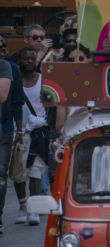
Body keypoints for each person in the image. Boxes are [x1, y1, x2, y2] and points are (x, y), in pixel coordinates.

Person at [14, 48, 48, 226]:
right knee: (18, 172)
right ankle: (22, 206)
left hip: (37, 132)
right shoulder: (13, 78)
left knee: (35, 171)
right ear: (18, 60)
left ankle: (34, 210)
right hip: (16, 131)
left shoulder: (43, 79)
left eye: (32, 58)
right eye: (25, 58)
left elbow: (50, 103)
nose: (29, 61)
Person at [0, 56, 24, 234]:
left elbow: (11, 99)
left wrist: (19, 131)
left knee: (1, 176)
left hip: (4, 128)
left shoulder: (6, 67)